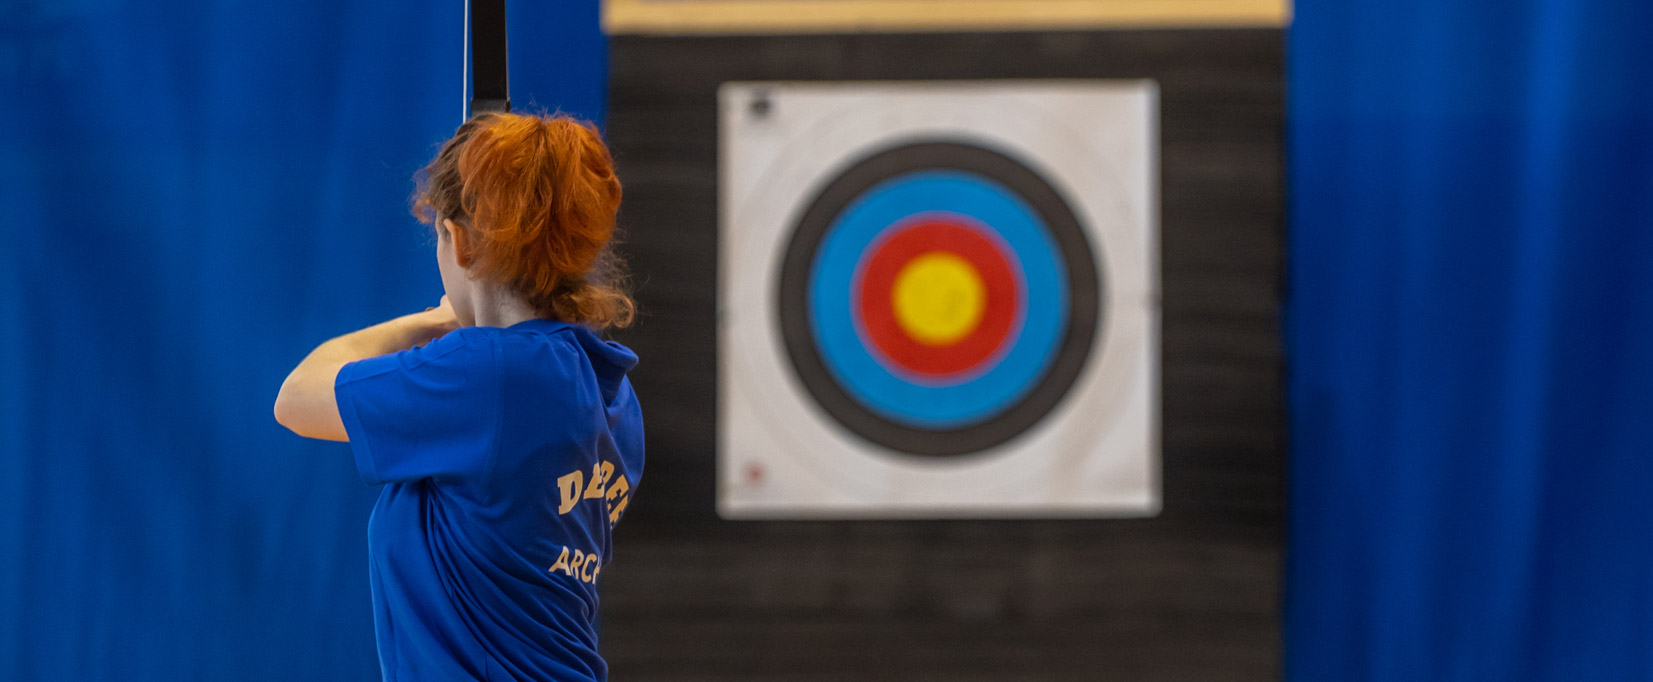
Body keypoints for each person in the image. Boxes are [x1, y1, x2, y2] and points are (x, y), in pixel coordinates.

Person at [273, 111, 643, 682]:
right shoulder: (611, 391)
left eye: (440, 237)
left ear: (460, 241)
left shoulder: (491, 376)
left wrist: (426, 324)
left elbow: (297, 398)